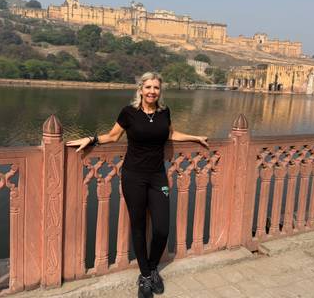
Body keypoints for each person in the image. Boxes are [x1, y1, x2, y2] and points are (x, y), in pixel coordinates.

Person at [66, 72, 208, 298]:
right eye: (148, 87)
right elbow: (113, 136)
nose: (152, 91)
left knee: (162, 228)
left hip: (157, 176)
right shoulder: (129, 113)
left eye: (156, 88)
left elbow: (171, 134)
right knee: (139, 226)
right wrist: (90, 139)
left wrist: (195, 137)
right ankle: (145, 276)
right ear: (140, 89)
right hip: (133, 176)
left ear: (160, 91)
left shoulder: (164, 112)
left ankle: (152, 268)